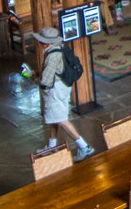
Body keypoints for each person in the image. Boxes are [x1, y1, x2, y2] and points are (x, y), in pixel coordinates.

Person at [33, 29, 94, 160]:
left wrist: (34, 78)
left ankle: (84, 146)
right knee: (54, 117)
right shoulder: (60, 48)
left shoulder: (52, 56)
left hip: (55, 91)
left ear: (46, 43)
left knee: (61, 120)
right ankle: (52, 145)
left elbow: (45, 81)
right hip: (63, 87)